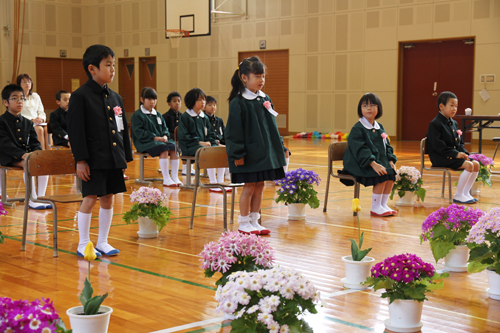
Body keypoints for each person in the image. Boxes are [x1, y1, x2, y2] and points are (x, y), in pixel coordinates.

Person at [67, 44, 133, 258]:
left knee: (108, 198)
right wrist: (81, 160)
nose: (112, 69)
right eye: (108, 65)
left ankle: (103, 241)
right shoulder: (80, 96)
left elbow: (122, 129)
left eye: (113, 65)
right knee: (90, 198)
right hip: (93, 159)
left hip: (113, 158)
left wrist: (124, 158)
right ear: (92, 69)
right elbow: (76, 131)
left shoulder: (115, 98)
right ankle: (84, 242)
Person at [225, 56, 286, 235]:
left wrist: (279, 146)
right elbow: (233, 131)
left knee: (260, 185)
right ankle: (244, 222)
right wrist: (238, 153)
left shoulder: (264, 98)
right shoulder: (238, 102)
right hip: (248, 153)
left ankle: (254, 220)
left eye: (263, 76)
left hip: (264, 153)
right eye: (257, 76)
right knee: (249, 186)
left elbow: (272, 127)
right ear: (244, 78)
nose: (262, 80)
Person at [342, 93, 398, 217]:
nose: (368, 108)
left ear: (378, 109)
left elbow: (387, 146)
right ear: (360, 109)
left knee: (391, 174)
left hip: (376, 162)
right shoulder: (358, 128)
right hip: (359, 163)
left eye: (372, 105)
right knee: (381, 174)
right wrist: (373, 164)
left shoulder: (380, 127)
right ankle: (376, 207)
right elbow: (360, 150)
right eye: (365, 105)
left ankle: (383, 205)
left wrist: (390, 161)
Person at [0, 84, 51, 209]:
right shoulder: (1, 121)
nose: (20, 101)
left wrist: (38, 154)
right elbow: (4, 143)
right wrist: (22, 154)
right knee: (29, 164)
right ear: (5, 102)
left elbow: (35, 142)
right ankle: (32, 199)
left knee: (43, 163)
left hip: (24, 156)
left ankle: (40, 198)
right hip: (6, 156)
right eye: (15, 98)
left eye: (22, 98)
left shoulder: (28, 122)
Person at [426, 91, 479, 204]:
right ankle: (459, 195)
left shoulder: (453, 123)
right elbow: (438, 146)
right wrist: (456, 154)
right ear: (441, 106)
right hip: (440, 157)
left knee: (475, 164)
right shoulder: (435, 124)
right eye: (452, 105)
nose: (455, 108)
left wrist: (465, 154)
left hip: (451, 154)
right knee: (469, 165)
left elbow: (459, 144)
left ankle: (465, 193)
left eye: (456, 106)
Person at [131, 87, 182, 187]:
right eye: (149, 99)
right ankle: (166, 178)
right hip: (144, 143)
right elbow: (139, 132)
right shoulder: (137, 115)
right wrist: (155, 138)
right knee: (163, 149)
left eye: (154, 99)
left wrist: (165, 136)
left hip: (159, 141)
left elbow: (165, 128)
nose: (152, 102)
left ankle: (175, 177)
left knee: (174, 147)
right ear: (142, 100)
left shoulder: (158, 114)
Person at [177, 89, 219, 181]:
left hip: (203, 146)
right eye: (199, 100)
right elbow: (184, 136)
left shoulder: (204, 118)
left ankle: (220, 181)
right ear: (192, 101)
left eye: (204, 99)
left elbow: (210, 134)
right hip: (189, 147)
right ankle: (213, 182)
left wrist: (213, 142)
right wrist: (200, 142)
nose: (203, 102)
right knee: (209, 152)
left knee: (220, 150)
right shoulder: (185, 117)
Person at [162, 91, 194, 176]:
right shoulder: (165, 117)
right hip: (171, 140)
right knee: (181, 144)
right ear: (169, 103)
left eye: (179, 101)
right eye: (174, 101)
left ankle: (189, 167)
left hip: (181, 139)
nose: (177, 103)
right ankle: (184, 168)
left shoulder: (184, 116)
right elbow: (166, 131)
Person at [204, 96, 231, 191]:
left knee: (226, 149)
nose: (213, 107)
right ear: (204, 107)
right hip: (208, 144)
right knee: (217, 151)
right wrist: (214, 141)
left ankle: (221, 180)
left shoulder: (219, 120)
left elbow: (224, 134)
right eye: (209, 105)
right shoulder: (203, 119)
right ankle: (213, 181)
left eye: (214, 105)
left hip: (218, 144)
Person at [17, 74, 49, 150]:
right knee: (39, 129)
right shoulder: (17, 97)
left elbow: (41, 111)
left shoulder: (35, 95)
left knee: (47, 128)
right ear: (19, 84)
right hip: (24, 123)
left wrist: (41, 119)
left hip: (37, 122)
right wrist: (31, 120)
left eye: (29, 81)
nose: (27, 84)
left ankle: (49, 153)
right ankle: (41, 153)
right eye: (24, 82)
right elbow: (18, 113)